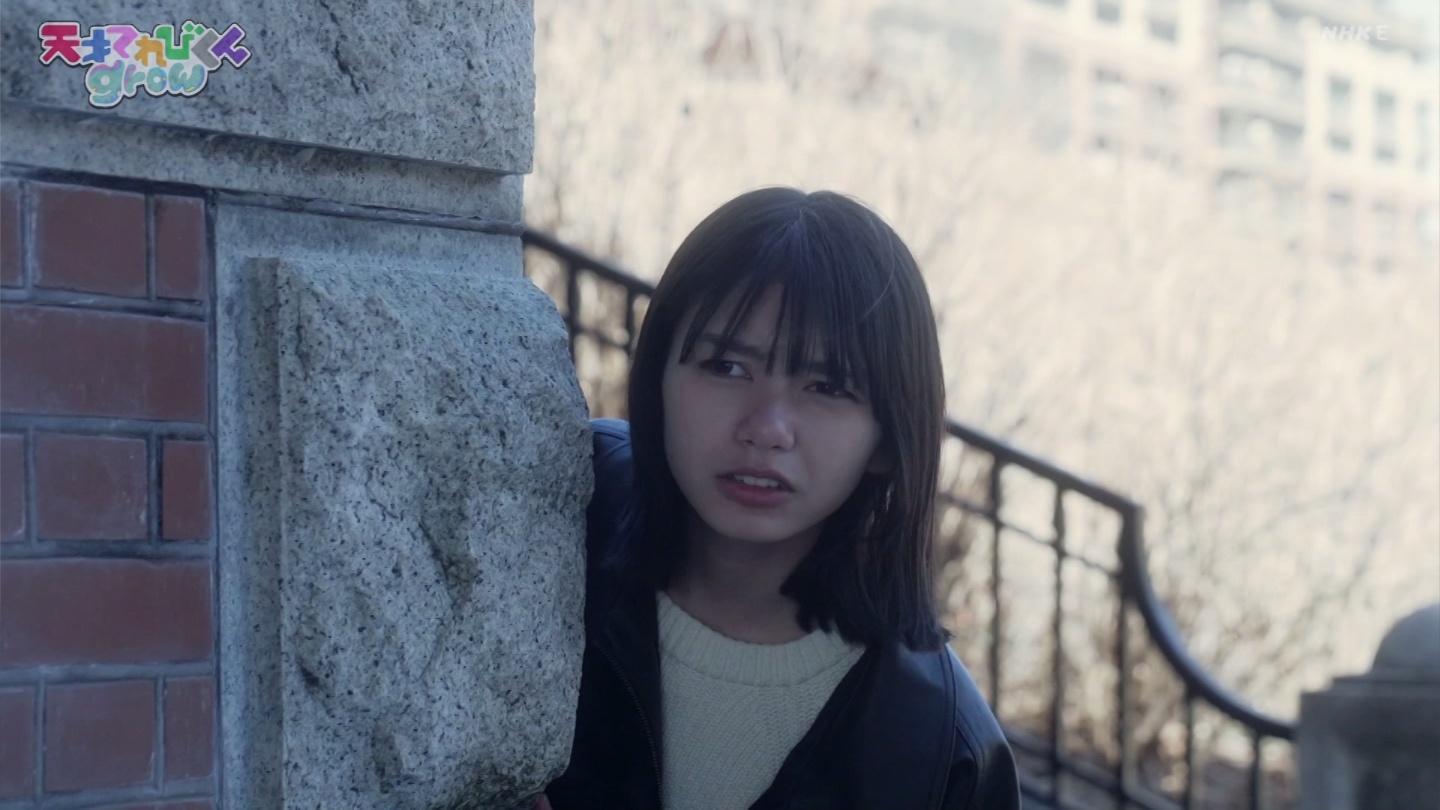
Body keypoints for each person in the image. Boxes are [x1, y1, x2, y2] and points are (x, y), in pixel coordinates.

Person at [543, 188, 1020, 809]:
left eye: (827, 386)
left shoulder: (939, 754)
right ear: (658, 377)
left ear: (887, 438)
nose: (767, 429)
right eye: (726, 367)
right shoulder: (557, 510)